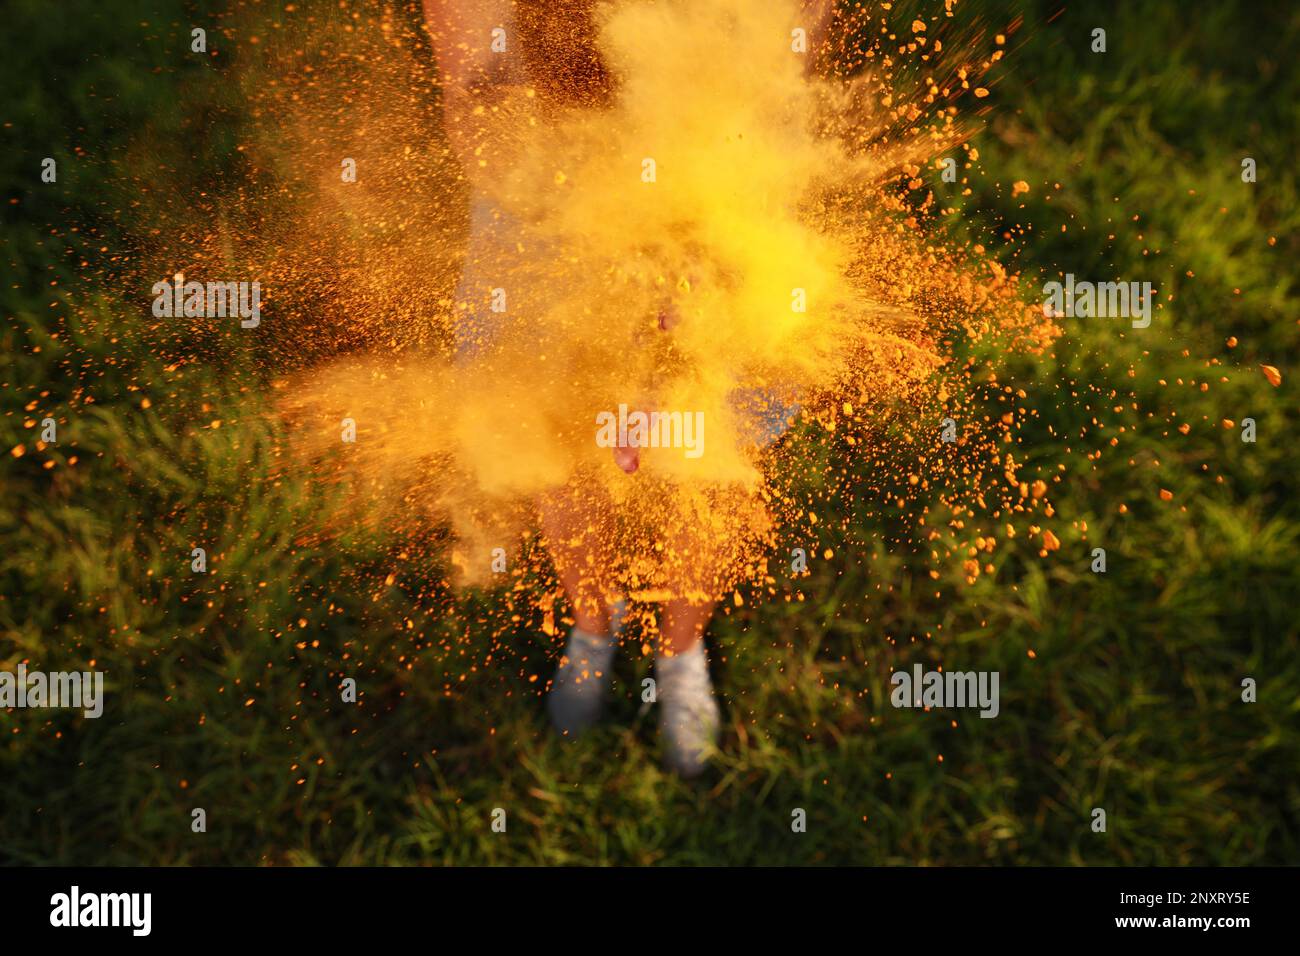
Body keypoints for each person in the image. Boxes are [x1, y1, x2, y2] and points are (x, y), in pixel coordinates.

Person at [424, 0, 834, 776]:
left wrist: (697, 260)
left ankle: (679, 651)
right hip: (542, 198)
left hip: (730, 188)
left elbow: (781, 65)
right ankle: (594, 625)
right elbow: (478, 83)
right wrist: (598, 282)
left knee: (721, 452)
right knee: (560, 441)